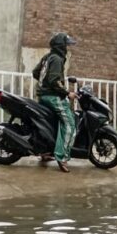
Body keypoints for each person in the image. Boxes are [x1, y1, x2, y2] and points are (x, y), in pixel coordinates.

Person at [32, 32, 77, 173]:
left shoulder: (48, 57)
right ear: (61, 46)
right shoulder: (57, 59)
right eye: (67, 45)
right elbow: (54, 81)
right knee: (70, 123)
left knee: (49, 123)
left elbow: (35, 72)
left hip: (42, 96)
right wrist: (67, 93)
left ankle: (45, 151)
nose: (68, 48)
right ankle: (62, 156)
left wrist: (43, 83)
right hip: (52, 97)